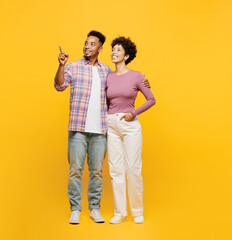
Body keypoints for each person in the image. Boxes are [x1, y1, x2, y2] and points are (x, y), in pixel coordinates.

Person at [54, 31, 150, 224]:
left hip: (100, 129)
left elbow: (126, 84)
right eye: (86, 43)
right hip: (79, 127)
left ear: (100, 48)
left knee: (98, 171)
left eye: (92, 44)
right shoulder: (73, 66)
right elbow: (60, 85)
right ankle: (75, 209)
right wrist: (61, 65)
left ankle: (95, 209)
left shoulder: (106, 71)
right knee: (76, 170)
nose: (87, 46)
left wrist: (142, 82)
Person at [106, 36, 156, 224]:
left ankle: (137, 211)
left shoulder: (137, 76)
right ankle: (120, 213)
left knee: (133, 168)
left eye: (118, 50)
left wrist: (133, 113)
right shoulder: (107, 76)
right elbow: (104, 101)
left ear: (126, 55)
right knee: (115, 169)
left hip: (129, 124)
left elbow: (151, 99)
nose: (113, 52)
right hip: (111, 124)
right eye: (113, 49)